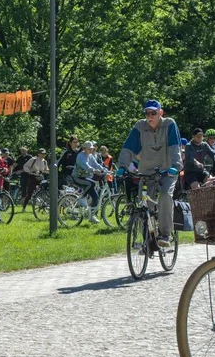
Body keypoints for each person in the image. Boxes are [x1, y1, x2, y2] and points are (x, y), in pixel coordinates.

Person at [118, 99, 182, 249]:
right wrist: (122, 166)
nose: (150, 116)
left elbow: (175, 147)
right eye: (147, 113)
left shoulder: (169, 124)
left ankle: (165, 234)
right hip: (146, 172)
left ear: (161, 113)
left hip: (167, 171)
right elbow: (128, 147)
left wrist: (175, 166)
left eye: (153, 113)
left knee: (165, 194)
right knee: (145, 204)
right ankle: (148, 240)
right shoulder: (140, 126)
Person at [73, 140, 108, 222]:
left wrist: (104, 169)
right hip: (77, 177)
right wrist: (94, 170)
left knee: (96, 197)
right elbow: (86, 166)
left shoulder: (90, 156)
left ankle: (92, 216)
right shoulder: (80, 156)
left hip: (85, 177)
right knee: (91, 183)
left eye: (92, 148)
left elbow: (96, 164)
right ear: (84, 148)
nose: (91, 150)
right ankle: (82, 198)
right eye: (89, 149)